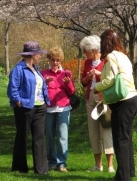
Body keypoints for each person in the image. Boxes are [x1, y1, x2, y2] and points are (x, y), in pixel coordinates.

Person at [94, 30, 137, 181]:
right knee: (126, 138)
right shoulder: (123, 55)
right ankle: (128, 172)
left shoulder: (112, 56)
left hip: (122, 101)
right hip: (131, 99)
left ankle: (123, 177)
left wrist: (97, 87)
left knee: (120, 140)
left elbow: (111, 80)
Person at [7, 41, 50, 174]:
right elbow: (12, 88)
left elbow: (39, 85)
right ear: (33, 54)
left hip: (40, 107)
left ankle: (41, 169)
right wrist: (18, 101)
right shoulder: (18, 69)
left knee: (39, 138)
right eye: (38, 54)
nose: (40, 56)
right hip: (25, 107)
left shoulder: (35, 69)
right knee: (22, 137)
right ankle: (20, 167)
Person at [80, 35, 115, 173]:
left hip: (103, 98)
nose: (84, 53)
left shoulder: (106, 60)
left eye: (86, 50)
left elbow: (111, 78)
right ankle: (97, 165)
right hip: (91, 97)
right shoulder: (87, 62)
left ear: (94, 49)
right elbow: (83, 82)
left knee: (106, 130)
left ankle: (110, 165)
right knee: (93, 132)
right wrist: (87, 77)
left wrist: (99, 73)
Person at [41, 47, 75, 172]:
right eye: (53, 60)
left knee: (62, 136)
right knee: (49, 136)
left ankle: (62, 163)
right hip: (49, 108)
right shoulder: (43, 73)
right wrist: (45, 83)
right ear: (49, 59)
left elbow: (71, 92)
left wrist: (68, 83)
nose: (55, 62)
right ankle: (51, 161)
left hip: (63, 107)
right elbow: (39, 91)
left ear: (61, 60)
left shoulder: (66, 73)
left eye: (58, 60)